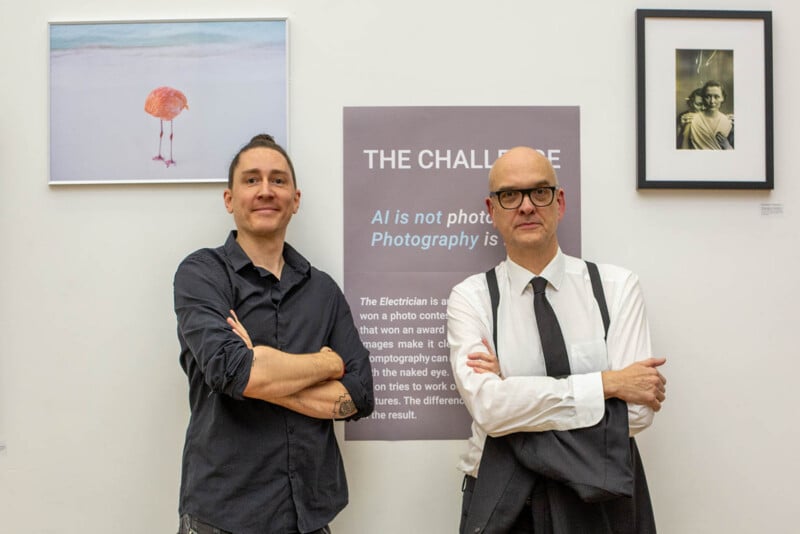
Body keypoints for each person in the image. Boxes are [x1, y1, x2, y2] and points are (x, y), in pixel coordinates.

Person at [447, 147, 666, 533]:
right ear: (491, 210)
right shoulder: (471, 298)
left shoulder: (617, 288)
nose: (527, 206)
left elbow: (636, 414)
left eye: (540, 192)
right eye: (510, 195)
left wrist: (515, 390)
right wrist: (607, 383)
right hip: (506, 502)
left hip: (603, 500)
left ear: (559, 201)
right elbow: (490, 410)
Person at [173, 134, 374, 534]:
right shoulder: (202, 274)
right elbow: (231, 371)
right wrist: (325, 363)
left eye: (278, 180)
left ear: (295, 200)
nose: (266, 191)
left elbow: (360, 393)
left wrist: (259, 369)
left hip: (310, 519)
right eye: (251, 180)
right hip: (222, 516)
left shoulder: (324, 291)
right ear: (230, 199)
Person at [679, 80, 734, 150]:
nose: (712, 101)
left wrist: (727, 147)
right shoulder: (691, 120)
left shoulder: (728, 122)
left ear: (722, 98)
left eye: (716, 97)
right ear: (704, 98)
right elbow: (684, 150)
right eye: (708, 96)